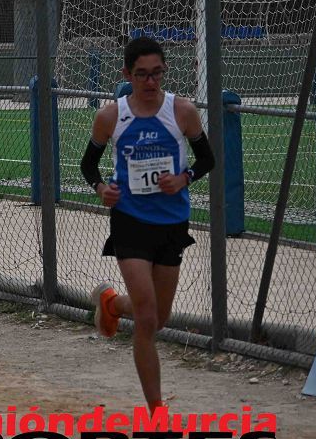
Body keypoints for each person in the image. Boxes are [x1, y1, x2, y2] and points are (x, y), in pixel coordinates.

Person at [79, 37, 215, 414]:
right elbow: (88, 165)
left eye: (157, 74)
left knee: (157, 318)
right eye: (142, 75)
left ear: (164, 72)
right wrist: (101, 188)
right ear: (127, 75)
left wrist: (184, 178)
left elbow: (207, 159)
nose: (151, 82)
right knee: (147, 318)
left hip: (172, 222)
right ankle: (157, 410)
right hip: (130, 222)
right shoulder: (111, 116)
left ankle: (109, 304)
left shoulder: (182, 111)